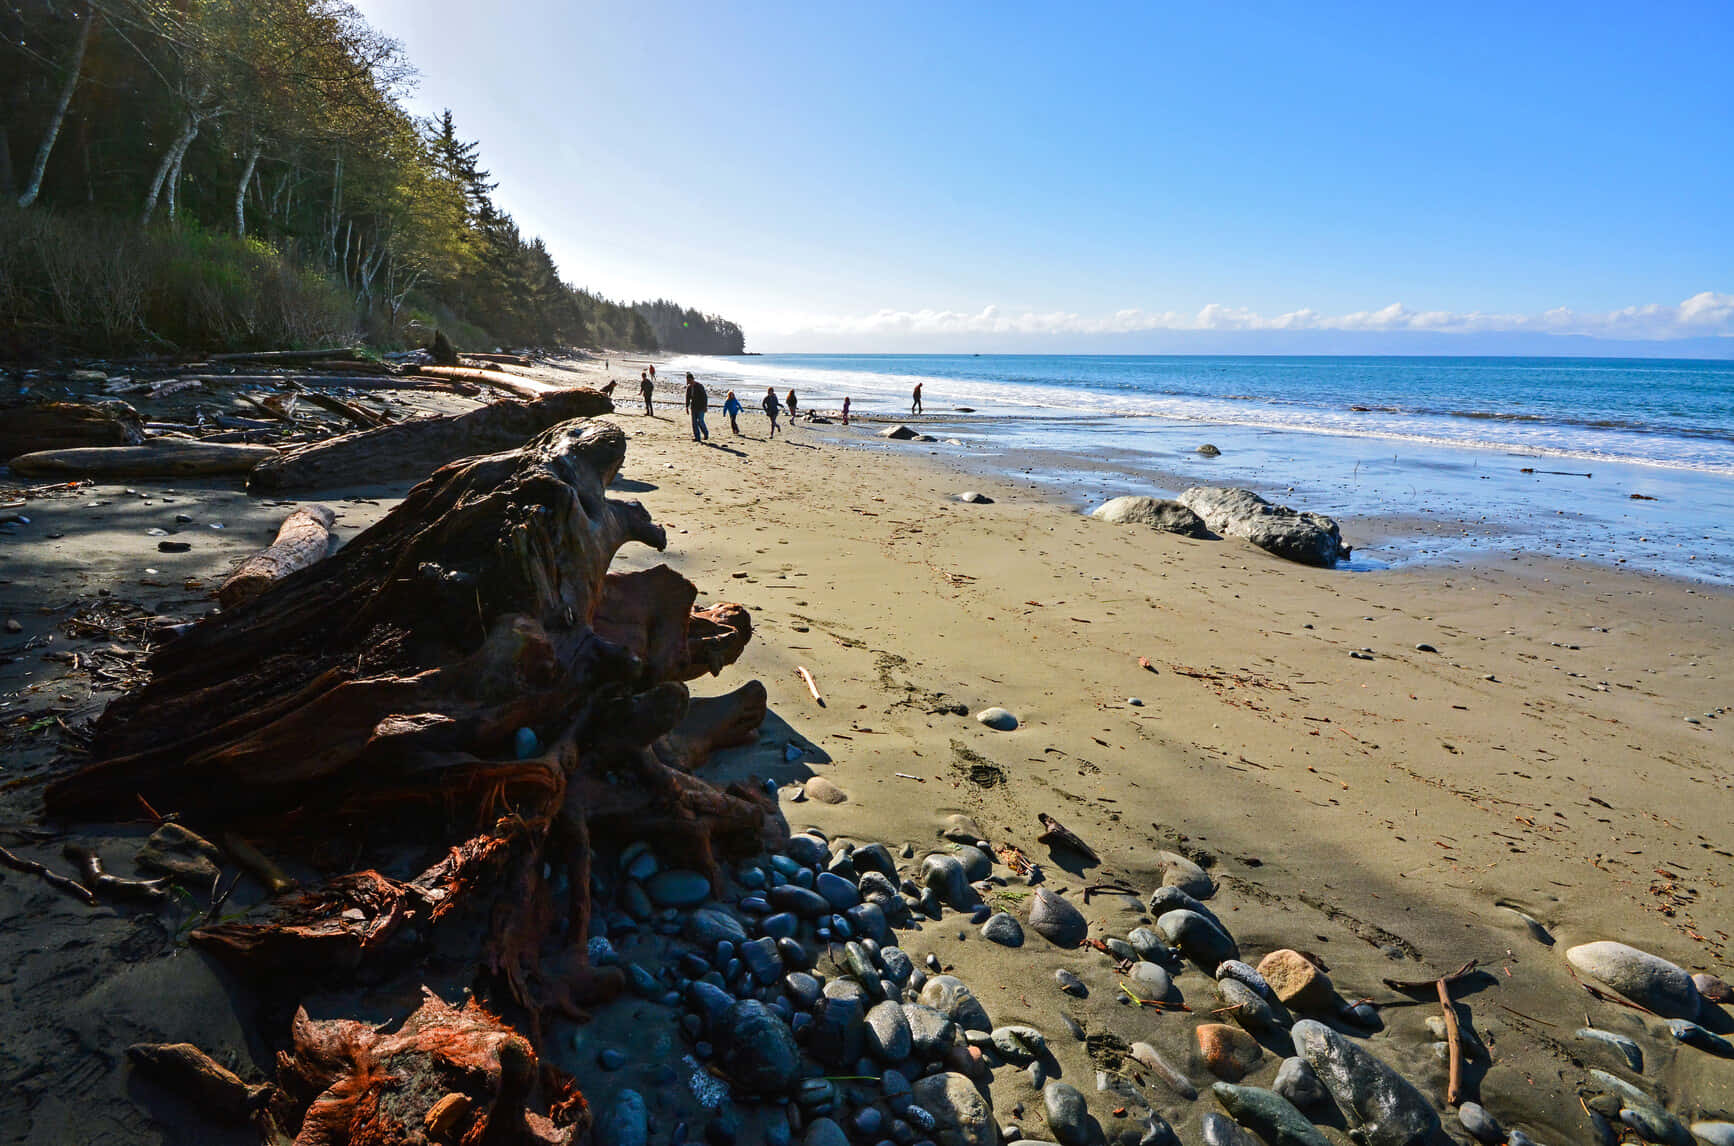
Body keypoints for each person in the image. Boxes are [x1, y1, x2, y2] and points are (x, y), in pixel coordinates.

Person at [684, 372, 709, 441]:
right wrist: (686, 407)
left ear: (692, 379)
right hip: (693, 407)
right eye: (688, 380)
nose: (689, 382)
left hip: (701, 407)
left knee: (700, 421)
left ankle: (706, 433)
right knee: (694, 423)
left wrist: (705, 406)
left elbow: (705, 397)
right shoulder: (689, 388)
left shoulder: (699, 386)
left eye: (690, 380)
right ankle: (697, 437)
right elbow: (687, 398)